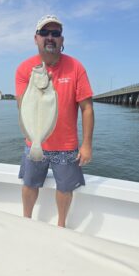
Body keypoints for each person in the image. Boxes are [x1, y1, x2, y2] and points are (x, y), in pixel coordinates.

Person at [15, 15, 94, 228]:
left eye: (55, 33)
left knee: (65, 188)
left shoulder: (76, 67)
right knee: (30, 184)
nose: (50, 37)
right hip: (35, 142)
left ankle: (61, 226)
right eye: (45, 33)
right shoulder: (25, 69)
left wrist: (86, 145)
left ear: (61, 39)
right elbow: (22, 108)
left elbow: (87, 108)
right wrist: (36, 85)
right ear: (36, 38)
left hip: (67, 146)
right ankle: (26, 222)